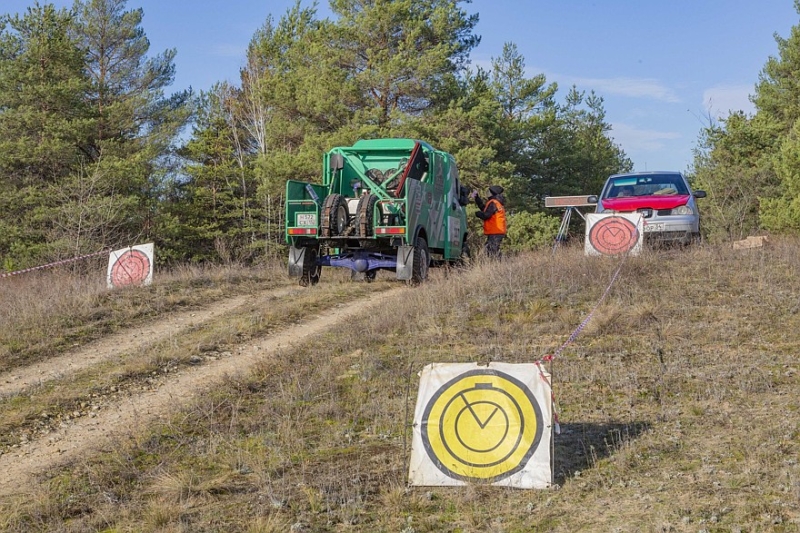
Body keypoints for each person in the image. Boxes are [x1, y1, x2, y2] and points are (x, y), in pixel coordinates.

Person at [473, 185, 507, 259]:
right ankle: (499, 265)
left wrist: (478, 214)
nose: (487, 192)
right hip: (496, 231)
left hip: (496, 231)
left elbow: (486, 215)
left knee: (492, 251)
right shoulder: (495, 202)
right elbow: (484, 208)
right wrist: (477, 198)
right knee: (490, 251)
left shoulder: (493, 203)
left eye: (489, 191)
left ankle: (501, 265)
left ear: (492, 193)